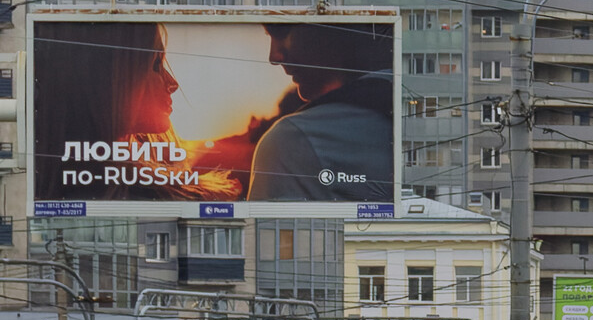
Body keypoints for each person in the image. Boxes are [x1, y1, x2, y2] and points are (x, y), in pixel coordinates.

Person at [33, 22, 238, 201]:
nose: (173, 83)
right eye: (156, 65)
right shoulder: (138, 193)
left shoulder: (52, 184)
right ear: (107, 80)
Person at [247, 22, 394, 202]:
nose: (274, 56)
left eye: (282, 33)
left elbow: (267, 230)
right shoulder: (405, 104)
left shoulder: (292, 142)